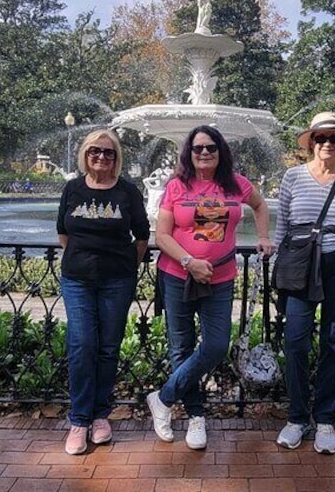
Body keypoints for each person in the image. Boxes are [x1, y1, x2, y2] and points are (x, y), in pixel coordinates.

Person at [147, 125, 274, 450]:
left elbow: (261, 206)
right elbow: (162, 236)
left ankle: (162, 398)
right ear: (189, 153)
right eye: (198, 148)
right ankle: (195, 416)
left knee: (217, 345)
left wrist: (262, 236)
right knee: (182, 347)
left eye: (211, 148)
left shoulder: (237, 183)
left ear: (221, 152)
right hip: (177, 275)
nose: (204, 153)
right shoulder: (176, 187)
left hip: (220, 277)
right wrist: (190, 262)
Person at [273, 111, 335, 454]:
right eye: (320, 138)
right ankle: (297, 417)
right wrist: (279, 264)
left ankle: (325, 418)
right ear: (311, 142)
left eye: (333, 138)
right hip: (299, 264)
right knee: (295, 340)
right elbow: (282, 225)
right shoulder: (293, 177)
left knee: (334, 342)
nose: (327, 143)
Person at [56, 129, 149, 455]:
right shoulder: (72, 189)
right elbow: (63, 232)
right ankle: (79, 419)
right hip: (77, 279)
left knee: (108, 348)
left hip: (117, 280)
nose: (102, 157)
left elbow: (142, 236)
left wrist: (126, 267)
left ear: (116, 158)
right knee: (82, 345)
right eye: (96, 151)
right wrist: (82, 260)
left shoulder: (127, 192)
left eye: (109, 153)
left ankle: (100, 415)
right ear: (85, 153)